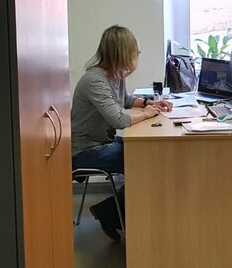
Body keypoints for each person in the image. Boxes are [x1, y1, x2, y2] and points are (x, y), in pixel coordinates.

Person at [71, 25, 173, 241]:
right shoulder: (95, 80)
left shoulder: (116, 74)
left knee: (150, 153)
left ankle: (113, 211)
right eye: (135, 52)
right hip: (84, 150)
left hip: (101, 142)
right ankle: (111, 213)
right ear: (122, 53)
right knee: (144, 160)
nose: (137, 56)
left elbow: (124, 100)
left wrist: (149, 103)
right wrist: (146, 113)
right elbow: (119, 120)